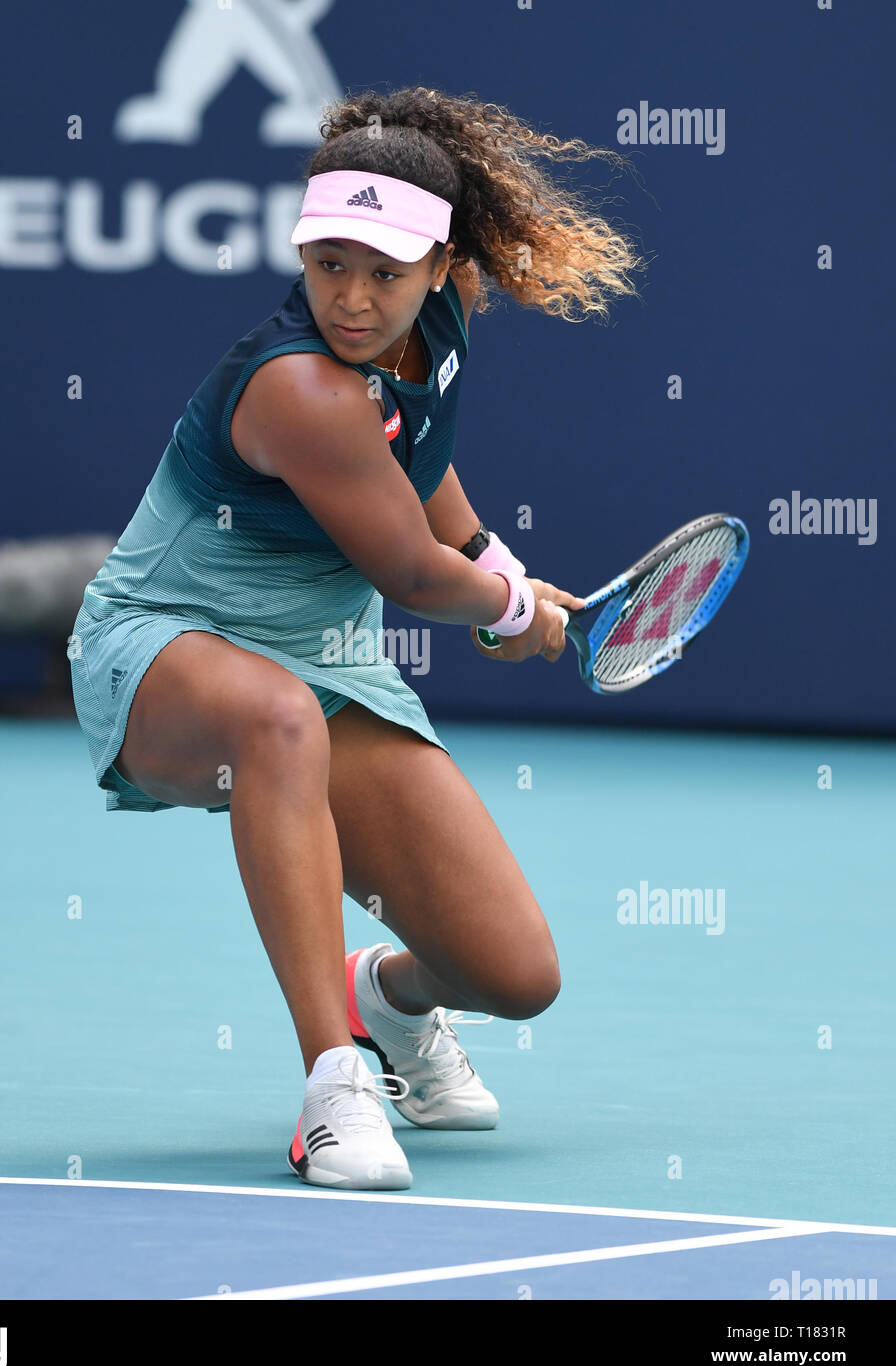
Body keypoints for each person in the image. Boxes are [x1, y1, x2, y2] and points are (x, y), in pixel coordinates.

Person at [69, 85, 641, 1191]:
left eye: (385, 271)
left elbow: (417, 472)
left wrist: (494, 557)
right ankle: (329, 1085)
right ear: (301, 250)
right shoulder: (299, 389)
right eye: (329, 263)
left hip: (327, 665)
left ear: (440, 266)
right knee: (272, 719)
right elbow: (401, 569)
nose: (353, 297)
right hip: (163, 650)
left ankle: (381, 1000)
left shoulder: (447, 316)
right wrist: (509, 609)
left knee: (512, 972)